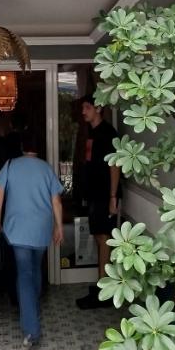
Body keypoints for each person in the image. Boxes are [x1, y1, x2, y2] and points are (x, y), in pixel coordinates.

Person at [0, 130, 64, 348]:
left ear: (22, 147)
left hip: (18, 228)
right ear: (38, 148)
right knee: (35, 270)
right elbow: (56, 202)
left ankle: (31, 329)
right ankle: (32, 311)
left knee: (24, 273)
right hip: (41, 228)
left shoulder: (10, 166)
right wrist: (59, 227)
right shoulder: (46, 168)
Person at [76, 94, 120, 310]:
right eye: (83, 107)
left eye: (87, 107)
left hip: (104, 195)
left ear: (98, 108)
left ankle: (106, 291)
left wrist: (113, 197)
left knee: (104, 238)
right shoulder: (92, 133)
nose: (83, 111)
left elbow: (115, 166)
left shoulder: (108, 133)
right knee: (98, 237)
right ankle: (101, 284)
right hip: (94, 194)